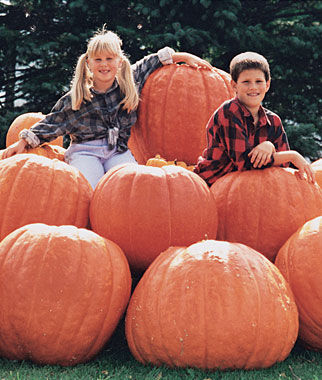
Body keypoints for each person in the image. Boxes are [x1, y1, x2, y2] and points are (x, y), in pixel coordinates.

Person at [2, 26, 212, 189]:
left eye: (109, 59)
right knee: (90, 187)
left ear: (119, 62)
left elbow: (152, 61)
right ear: (89, 64)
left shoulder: (129, 83)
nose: (104, 64)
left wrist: (183, 57)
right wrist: (24, 140)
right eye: (98, 59)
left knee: (129, 184)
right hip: (85, 152)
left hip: (117, 151)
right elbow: (53, 122)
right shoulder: (78, 97)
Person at [194, 51, 315, 186]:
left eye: (259, 81)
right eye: (246, 82)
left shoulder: (273, 121)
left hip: (249, 187)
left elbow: (283, 166)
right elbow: (245, 163)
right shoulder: (229, 112)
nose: (253, 87)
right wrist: (293, 155)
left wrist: (270, 147)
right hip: (212, 185)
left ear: (267, 85)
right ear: (234, 85)